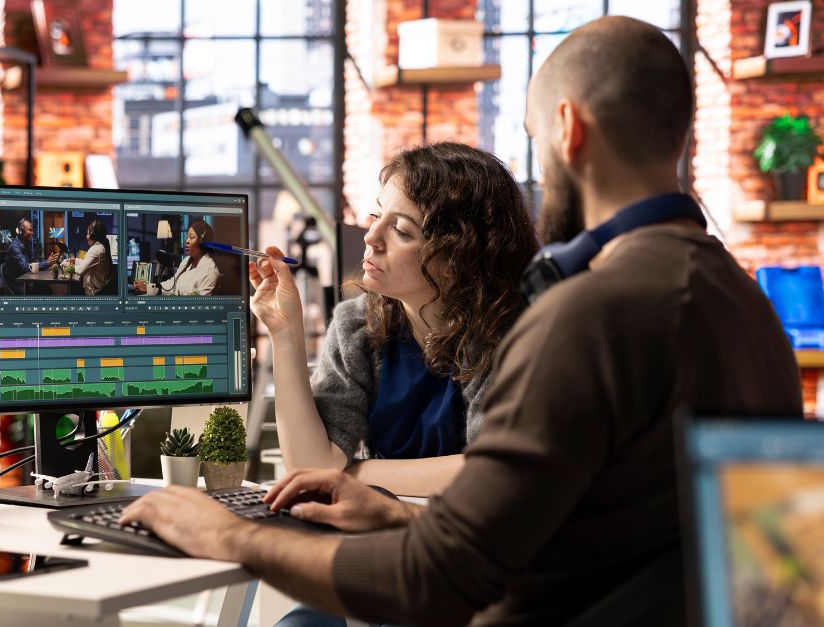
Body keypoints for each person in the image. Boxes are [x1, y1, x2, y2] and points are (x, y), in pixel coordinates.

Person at [120, 16, 803, 626]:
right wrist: (387, 506)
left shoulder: (588, 316)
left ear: (567, 128)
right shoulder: (746, 307)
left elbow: (435, 580)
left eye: (535, 139)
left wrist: (227, 534)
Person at [252, 143, 539, 497]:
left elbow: (493, 471)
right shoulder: (356, 325)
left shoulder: (507, 335)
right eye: (376, 216)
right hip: (381, 529)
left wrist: (352, 474)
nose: (371, 237)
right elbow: (312, 467)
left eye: (401, 231)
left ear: (457, 259)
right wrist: (285, 333)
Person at [133, 220, 221, 296]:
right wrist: (148, 287)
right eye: (187, 237)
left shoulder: (210, 272)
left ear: (204, 242)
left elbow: (199, 306)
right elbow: (172, 284)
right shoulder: (187, 261)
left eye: (191, 237)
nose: (187, 241)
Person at [3, 218, 58, 283]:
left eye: (32, 230)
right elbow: (26, 267)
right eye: (30, 230)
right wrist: (47, 263)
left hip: (27, 280)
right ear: (21, 231)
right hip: (18, 283)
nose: (32, 233)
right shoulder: (15, 247)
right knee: (44, 288)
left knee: (45, 288)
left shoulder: (27, 244)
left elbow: (35, 261)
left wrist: (48, 261)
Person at [72, 219, 113, 295]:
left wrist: (70, 266)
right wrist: (76, 260)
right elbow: (87, 263)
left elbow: (80, 270)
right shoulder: (101, 246)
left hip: (93, 292)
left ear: (93, 235)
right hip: (100, 290)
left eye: (88, 233)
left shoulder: (95, 249)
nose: (86, 236)